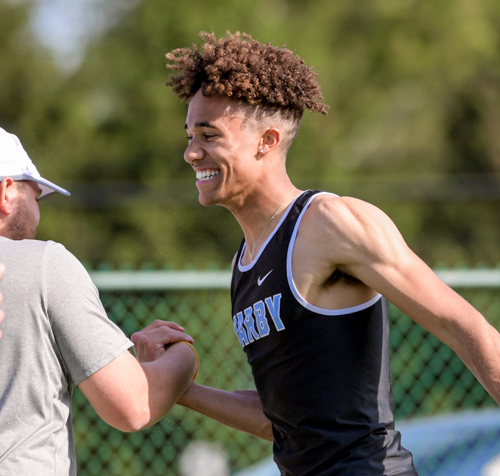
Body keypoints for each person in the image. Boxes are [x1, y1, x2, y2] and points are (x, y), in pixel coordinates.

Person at [131, 31, 500, 476]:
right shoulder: (243, 263)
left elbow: (466, 328)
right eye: (190, 134)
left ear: (266, 141)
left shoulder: (330, 223)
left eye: (209, 135)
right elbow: (285, 421)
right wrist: (180, 387)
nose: (191, 152)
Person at [0, 127, 199, 475]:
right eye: (35, 195)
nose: (37, 210)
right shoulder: (43, 264)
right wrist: (184, 353)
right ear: (6, 192)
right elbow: (134, 405)